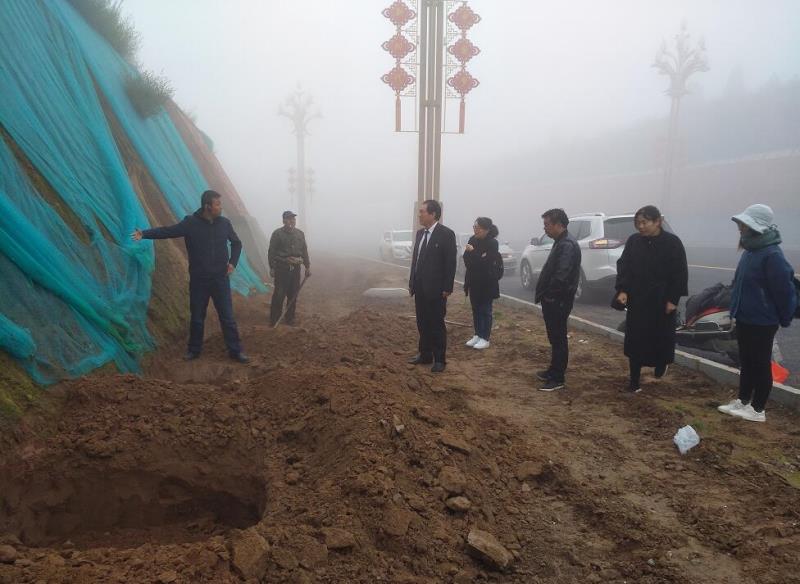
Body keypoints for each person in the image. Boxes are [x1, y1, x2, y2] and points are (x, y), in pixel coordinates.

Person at [132, 190, 249, 363]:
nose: (221, 207)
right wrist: (144, 234)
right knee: (197, 317)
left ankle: (235, 351)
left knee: (227, 317)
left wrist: (232, 263)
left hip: (220, 279)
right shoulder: (191, 223)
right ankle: (194, 350)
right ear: (207, 206)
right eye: (218, 204)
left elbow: (236, 243)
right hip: (199, 280)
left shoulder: (224, 223)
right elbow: (168, 231)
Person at [718, 204, 796, 422]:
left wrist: (784, 317)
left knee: (760, 363)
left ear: (755, 226)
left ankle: (758, 408)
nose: (740, 228)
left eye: (743, 224)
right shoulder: (751, 251)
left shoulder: (772, 254)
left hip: (763, 321)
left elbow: (785, 291)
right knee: (747, 362)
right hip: (745, 318)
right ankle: (743, 401)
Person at [615, 205, 688, 393]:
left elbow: (679, 273)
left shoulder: (672, 243)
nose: (640, 226)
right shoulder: (634, 241)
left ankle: (661, 364)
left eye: (644, 222)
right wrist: (622, 290)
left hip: (661, 300)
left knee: (660, 338)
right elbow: (624, 266)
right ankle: (634, 381)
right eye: (637, 223)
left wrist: (673, 299)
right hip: (638, 299)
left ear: (657, 222)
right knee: (636, 340)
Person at [534, 209, 582, 391]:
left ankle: (558, 378)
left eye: (547, 224)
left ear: (559, 225)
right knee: (555, 338)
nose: (544, 228)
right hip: (554, 299)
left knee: (559, 338)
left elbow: (561, 275)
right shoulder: (560, 242)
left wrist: (550, 296)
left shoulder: (567, 245)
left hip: (558, 300)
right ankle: (553, 370)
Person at [408, 199, 457, 373]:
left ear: (433, 214)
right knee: (422, 322)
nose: (419, 215)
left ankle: (440, 359)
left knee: (436, 324)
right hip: (420, 288)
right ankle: (425, 354)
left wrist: (447, 287)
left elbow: (450, 263)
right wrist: (412, 282)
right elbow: (416, 261)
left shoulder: (446, 234)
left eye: (422, 212)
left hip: (436, 290)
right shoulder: (420, 234)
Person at [463, 217, 502, 350]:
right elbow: (467, 260)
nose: (475, 230)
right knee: (475, 309)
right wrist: (478, 256)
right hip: (473, 281)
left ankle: (485, 338)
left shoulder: (492, 243)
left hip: (487, 283)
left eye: (478, 228)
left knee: (485, 310)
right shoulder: (472, 240)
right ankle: (478, 334)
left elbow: (486, 263)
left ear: (486, 229)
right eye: (474, 227)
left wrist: (473, 252)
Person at [268, 210, 311, 327]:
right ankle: (274, 319)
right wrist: (272, 267)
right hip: (282, 269)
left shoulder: (300, 234)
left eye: (293, 219)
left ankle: (290, 319)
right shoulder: (277, 234)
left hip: (296, 269)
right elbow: (272, 252)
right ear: (283, 221)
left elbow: (304, 251)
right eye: (289, 219)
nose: (292, 221)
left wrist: (307, 266)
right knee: (279, 294)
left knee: (293, 294)